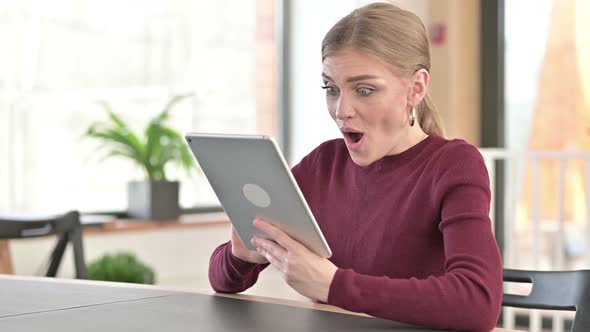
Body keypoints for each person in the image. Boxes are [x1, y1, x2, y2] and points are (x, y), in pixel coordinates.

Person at [208, 3, 502, 331]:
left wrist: (332, 285)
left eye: (364, 90)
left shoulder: (454, 165)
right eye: (331, 89)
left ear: (416, 88)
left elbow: (478, 303)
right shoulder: (323, 164)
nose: (341, 110)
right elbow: (222, 281)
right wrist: (242, 256)